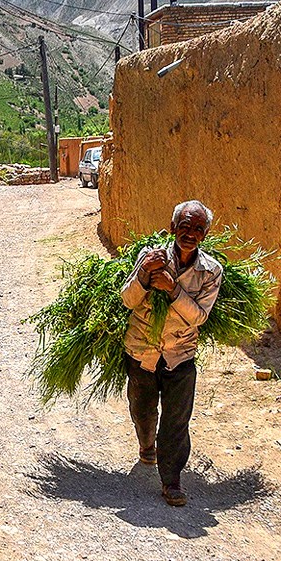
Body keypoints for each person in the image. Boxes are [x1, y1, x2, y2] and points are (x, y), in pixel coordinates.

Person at [120, 200, 223, 507]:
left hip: (180, 353)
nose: (190, 234)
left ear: (204, 235)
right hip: (142, 350)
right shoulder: (151, 257)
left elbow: (199, 316)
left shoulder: (211, 271)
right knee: (143, 409)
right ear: (172, 227)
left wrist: (173, 289)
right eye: (184, 227)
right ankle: (146, 443)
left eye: (197, 229)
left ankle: (172, 480)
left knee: (177, 420)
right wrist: (143, 276)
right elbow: (128, 300)